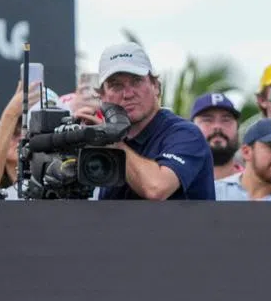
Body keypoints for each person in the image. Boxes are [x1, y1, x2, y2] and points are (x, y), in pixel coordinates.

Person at [90, 43, 215, 200]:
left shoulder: (186, 134)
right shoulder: (105, 140)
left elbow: (157, 188)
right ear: (102, 97)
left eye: (136, 81)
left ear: (155, 86)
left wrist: (110, 140)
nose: (128, 94)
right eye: (116, 86)